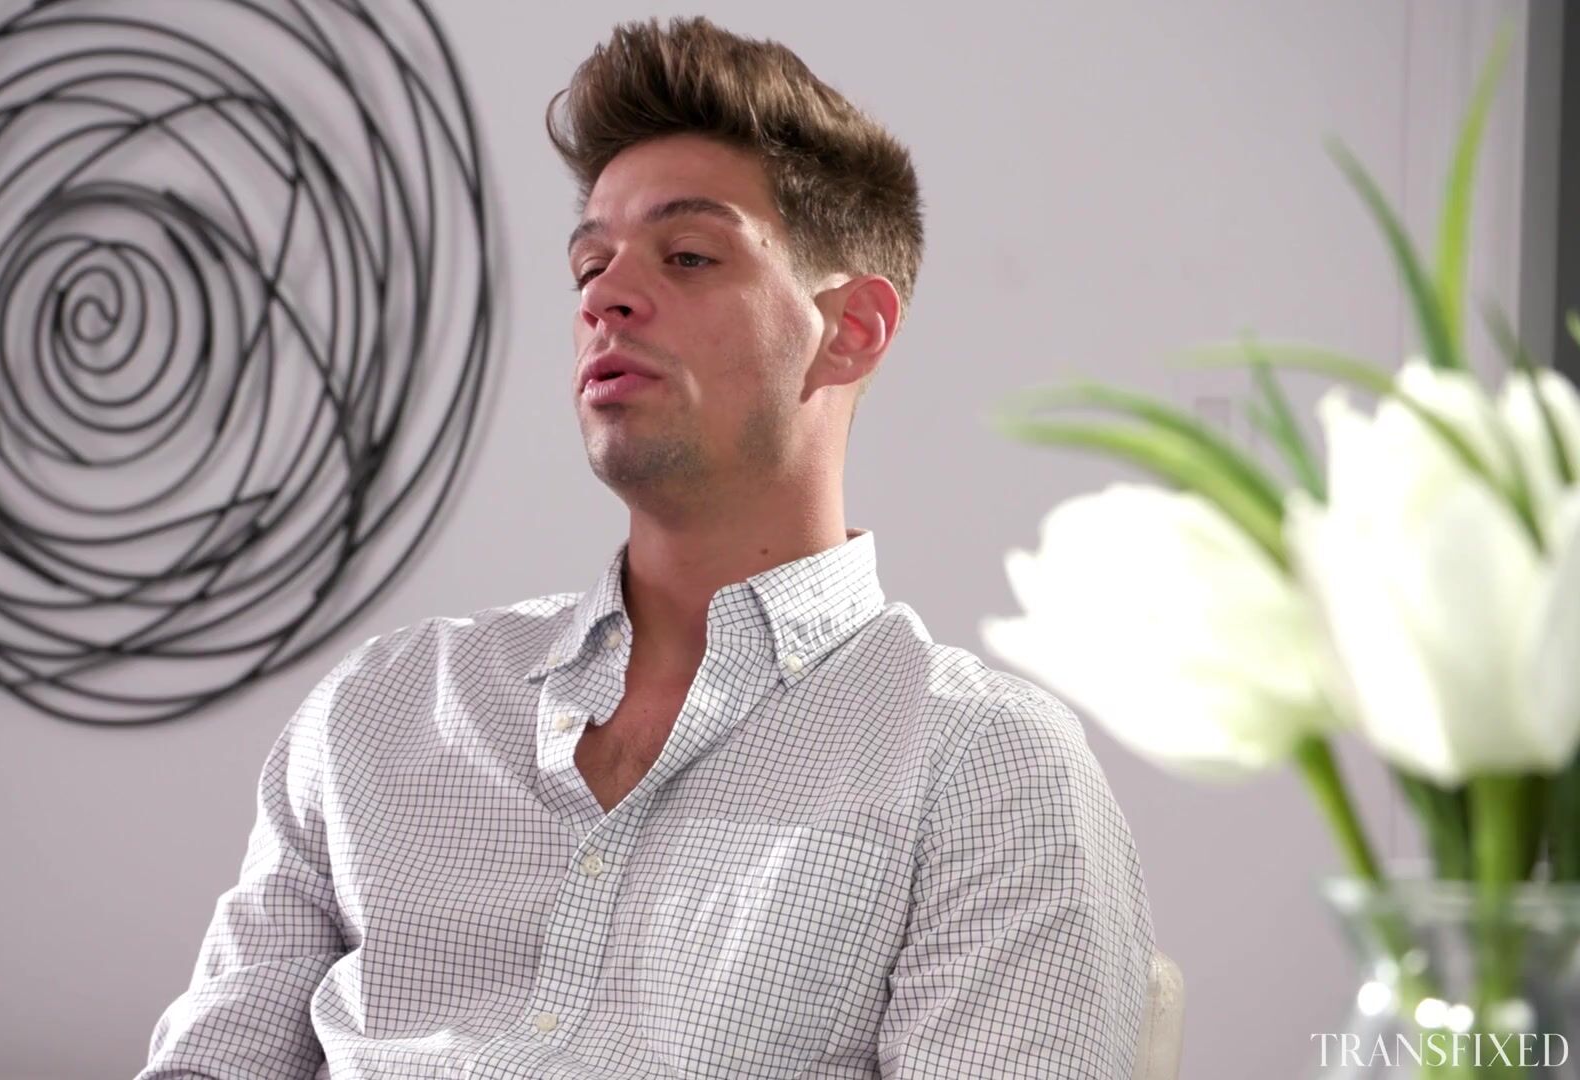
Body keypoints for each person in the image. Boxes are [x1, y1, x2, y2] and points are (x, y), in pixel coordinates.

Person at [138, 15, 1153, 1079]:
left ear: (851, 329)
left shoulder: (980, 766)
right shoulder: (380, 712)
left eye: (690, 255)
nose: (605, 296)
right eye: (591, 264)